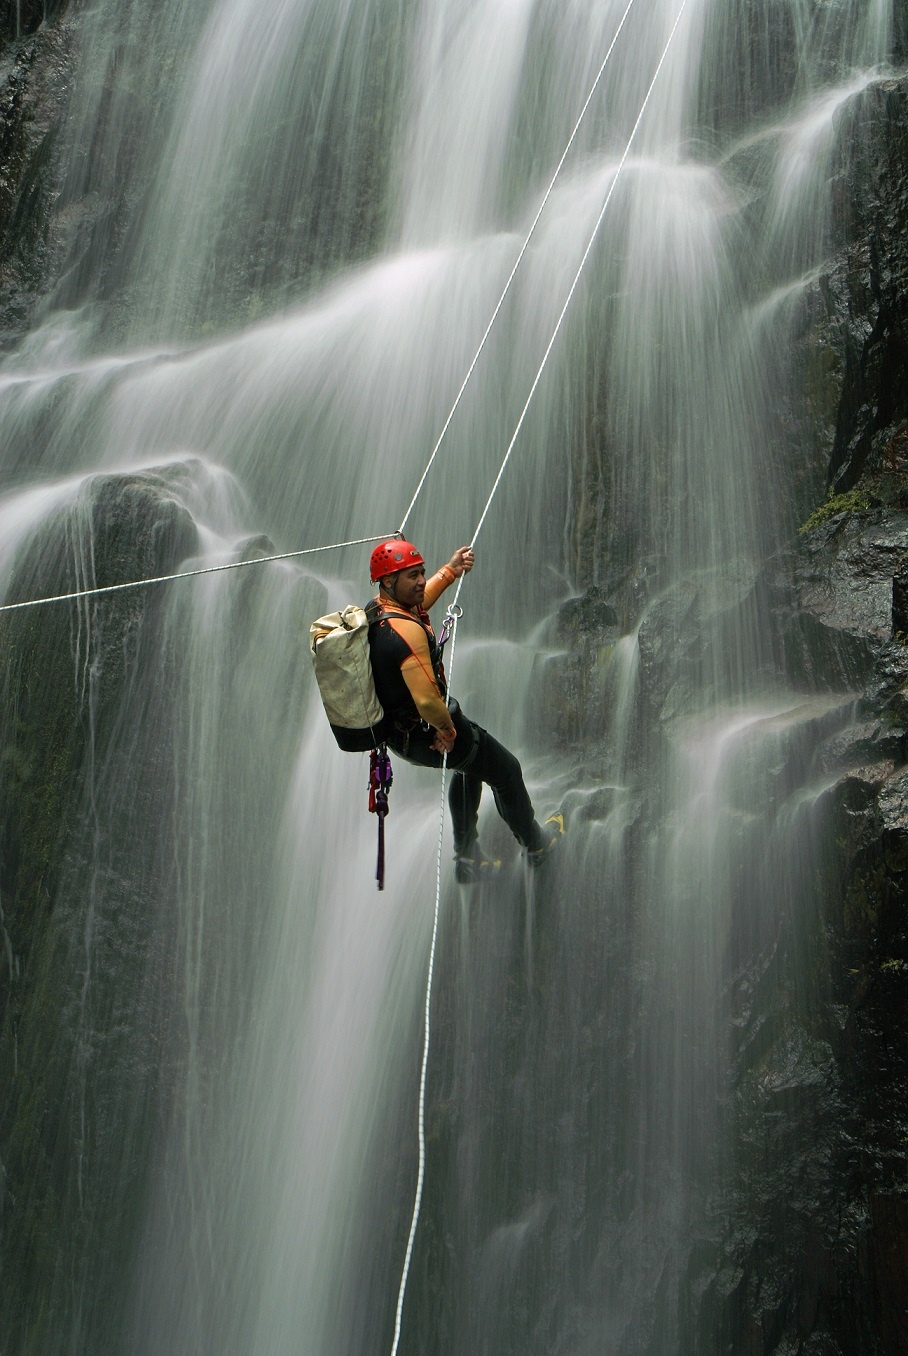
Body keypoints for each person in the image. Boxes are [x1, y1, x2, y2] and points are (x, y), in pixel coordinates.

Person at [365, 538, 563, 883]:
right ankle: (536, 847)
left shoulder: (380, 612)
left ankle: (467, 857)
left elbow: (419, 605)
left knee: (470, 766)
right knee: (506, 772)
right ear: (388, 582)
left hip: (397, 733)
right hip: (425, 730)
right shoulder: (407, 633)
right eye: (412, 576)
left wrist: (450, 571)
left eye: (422, 573)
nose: (421, 582)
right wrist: (447, 730)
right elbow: (428, 701)